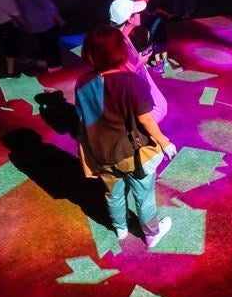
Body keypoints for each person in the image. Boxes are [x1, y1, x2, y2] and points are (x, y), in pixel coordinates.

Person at [75, 25, 176, 246]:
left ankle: (120, 228)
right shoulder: (131, 81)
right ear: (119, 49)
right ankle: (151, 234)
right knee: (144, 194)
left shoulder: (82, 82)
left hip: (100, 152)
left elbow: (82, 118)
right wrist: (164, 142)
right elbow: (146, 119)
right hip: (130, 153)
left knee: (113, 193)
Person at [110, 0, 168, 123]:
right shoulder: (118, 45)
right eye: (137, 13)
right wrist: (140, 63)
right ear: (129, 19)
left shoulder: (124, 36)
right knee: (155, 113)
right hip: (135, 89)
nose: (140, 14)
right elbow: (121, 79)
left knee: (159, 109)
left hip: (140, 81)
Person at [17, 0, 65, 71]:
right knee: (52, 44)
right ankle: (55, 65)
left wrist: (26, 24)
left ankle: (47, 62)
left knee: (43, 43)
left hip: (33, 24)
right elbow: (49, 6)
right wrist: (59, 19)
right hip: (45, 22)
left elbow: (21, 11)